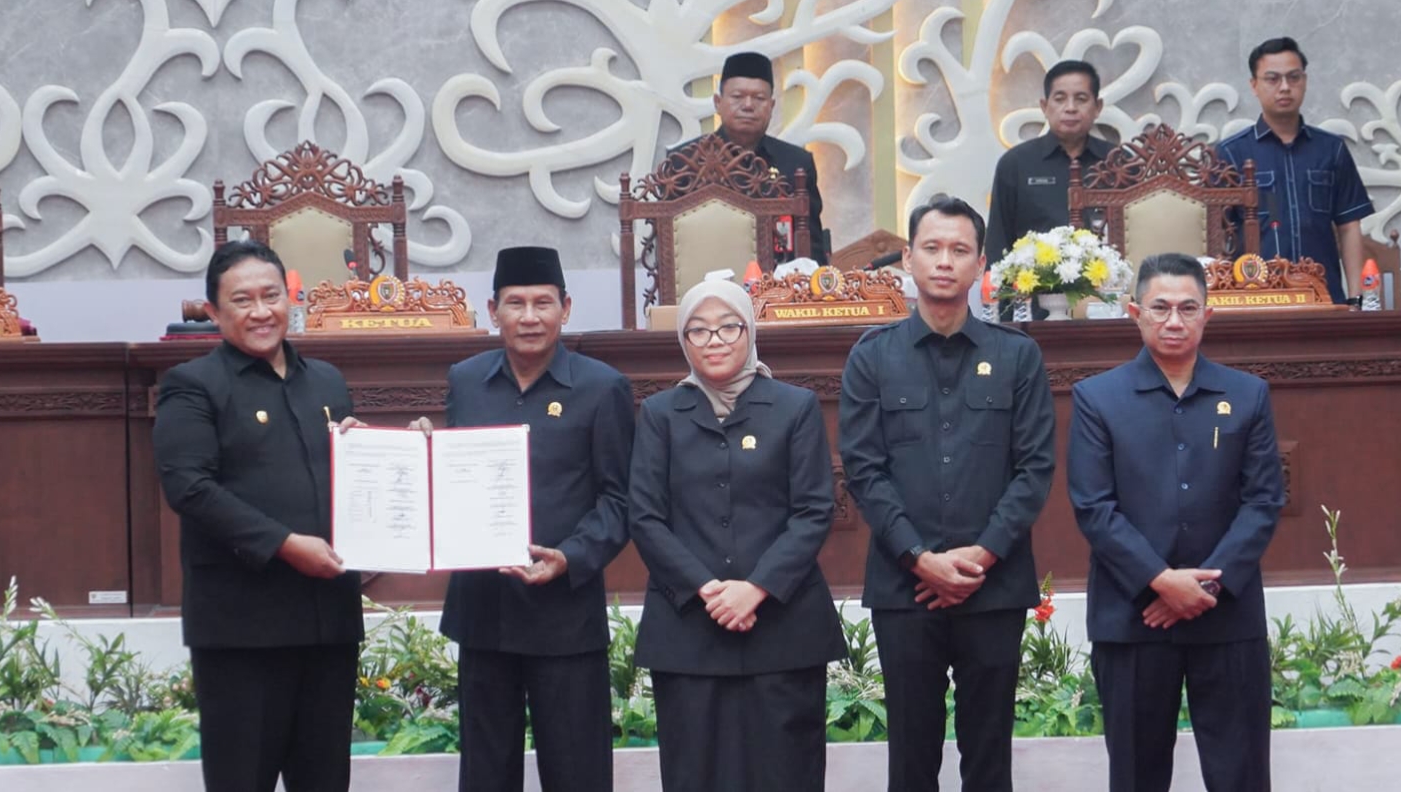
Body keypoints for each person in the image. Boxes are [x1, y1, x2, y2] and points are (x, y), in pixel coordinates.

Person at [839, 195, 1057, 792]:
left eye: (959, 250)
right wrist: (921, 558)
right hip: (904, 586)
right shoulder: (872, 356)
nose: (944, 262)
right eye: (931, 248)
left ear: (981, 264)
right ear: (907, 259)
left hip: (996, 585)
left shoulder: (1017, 355)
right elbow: (864, 469)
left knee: (989, 753)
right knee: (911, 752)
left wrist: (979, 556)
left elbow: (1034, 469)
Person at [1066, 252, 1285, 792]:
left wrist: (1205, 585)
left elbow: (1263, 500)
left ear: (1207, 315)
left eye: (1188, 308)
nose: (1173, 320)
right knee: (1137, 774)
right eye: (1160, 307)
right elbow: (1094, 507)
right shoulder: (1098, 398)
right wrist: (1161, 582)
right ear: (1134, 311)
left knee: (1242, 773)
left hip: (1226, 614)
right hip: (1134, 618)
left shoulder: (1247, 394)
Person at [154, 239, 363, 792]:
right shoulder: (192, 385)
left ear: (290, 299)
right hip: (243, 629)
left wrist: (378, 463)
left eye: (272, 295)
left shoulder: (327, 382)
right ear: (215, 312)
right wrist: (286, 544)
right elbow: (189, 487)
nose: (261, 311)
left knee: (324, 781)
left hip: (328, 624)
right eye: (242, 300)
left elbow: (346, 477)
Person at [423, 246, 634, 792]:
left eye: (543, 303)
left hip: (563, 613)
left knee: (577, 770)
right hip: (483, 611)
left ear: (566, 307)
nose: (530, 316)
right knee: (487, 772)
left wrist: (572, 556)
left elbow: (620, 498)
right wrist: (424, 456)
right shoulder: (466, 381)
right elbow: (453, 479)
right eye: (515, 303)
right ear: (493, 310)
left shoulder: (601, 386)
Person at [628, 278, 846, 792]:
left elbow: (815, 509)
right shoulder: (660, 414)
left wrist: (756, 588)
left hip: (783, 628)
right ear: (683, 341)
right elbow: (645, 516)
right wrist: (708, 589)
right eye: (699, 331)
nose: (715, 340)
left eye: (728, 326)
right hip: (688, 631)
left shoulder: (794, 407)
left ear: (749, 331)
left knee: (786, 772)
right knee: (695, 773)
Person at [1217, 36, 1374, 303]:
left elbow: (1349, 226)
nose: (1285, 87)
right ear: (1254, 85)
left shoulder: (1331, 149)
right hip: (1256, 300)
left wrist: (1356, 299)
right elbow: (1217, 234)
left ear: (1305, 81)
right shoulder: (1231, 153)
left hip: (1325, 297)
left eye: (1294, 77)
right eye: (1272, 79)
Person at [677, 50, 829, 264]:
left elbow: (812, 247)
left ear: (771, 106)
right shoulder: (685, 161)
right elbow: (672, 243)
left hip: (778, 289)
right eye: (737, 97)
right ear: (718, 102)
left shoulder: (796, 164)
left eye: (759, 98)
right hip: (708, 287)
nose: (748, 105)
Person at [984, 59, 1119, 264]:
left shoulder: (1119, 162)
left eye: (1081, 99)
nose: (1070, 108)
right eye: (1060, 99)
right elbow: (998, 240)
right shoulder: (1016, 164)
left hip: (1107, 289)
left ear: (1097, 107)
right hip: (1034, 289)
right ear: (1045, 106)